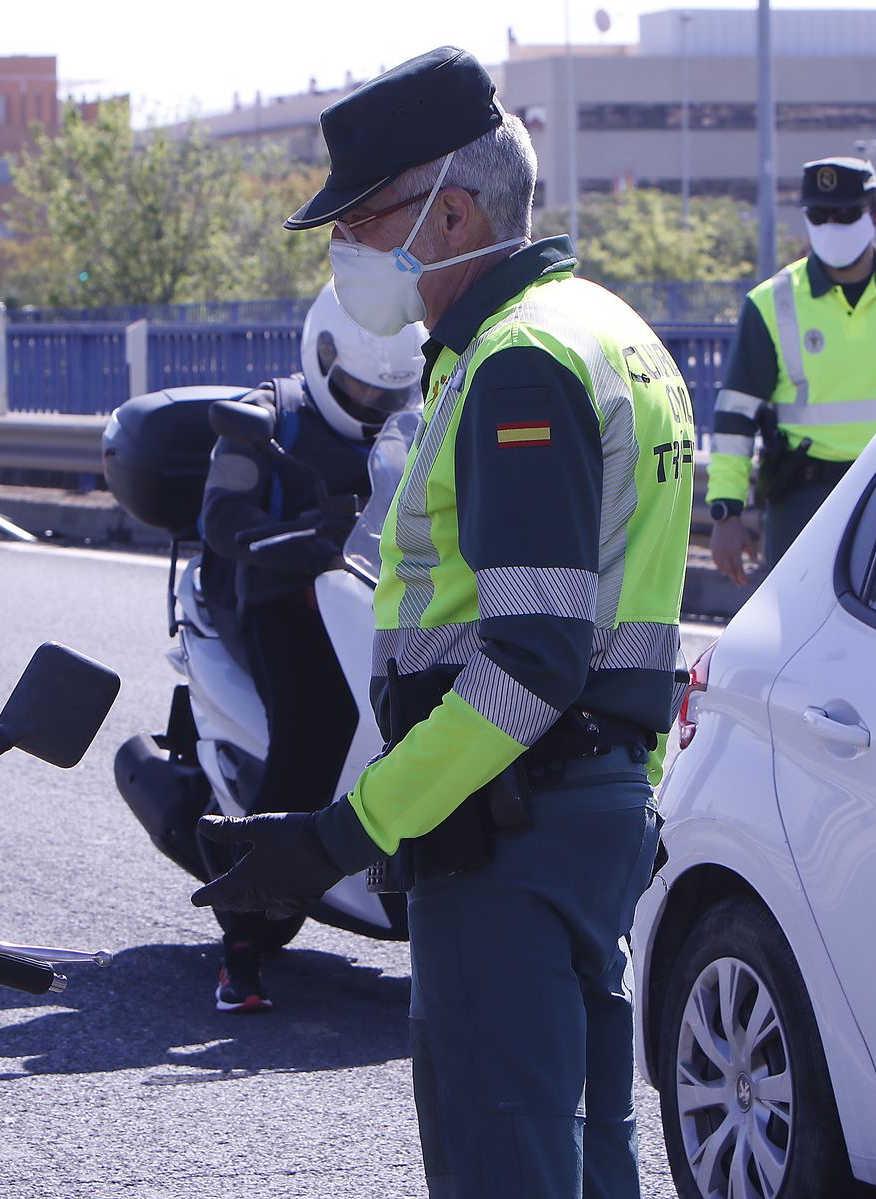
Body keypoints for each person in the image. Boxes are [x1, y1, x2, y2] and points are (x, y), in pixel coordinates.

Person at [192, 46, 693, 1198]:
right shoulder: (609, 331)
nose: (348, 253)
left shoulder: (518, 366)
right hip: (584, 811)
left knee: (503, 1163)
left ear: (453, 211)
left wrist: (340, 836)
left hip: (508, 835)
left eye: (363, 222)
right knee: (581, 1155)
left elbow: (527, 661)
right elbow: (632, 630)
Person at [197, 279, 423, 1012]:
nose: (368, 403)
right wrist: (306, 545)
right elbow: (223, 519)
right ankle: (242, 944)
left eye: (385, 393)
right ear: (321, 356)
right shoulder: (266, 416)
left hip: (375, 598)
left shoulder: (417, 422)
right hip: (276, 601)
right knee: (314, 733)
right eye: (356, 386)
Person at [708, 155, 876, 586]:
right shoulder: (770, 303)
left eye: (846, 214)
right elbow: (735, 416)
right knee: (796, 638)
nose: (831, 226)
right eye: (819, 215)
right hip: (804, 500)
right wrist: (726, 511)